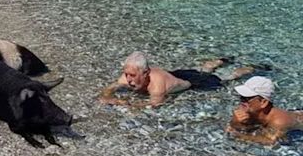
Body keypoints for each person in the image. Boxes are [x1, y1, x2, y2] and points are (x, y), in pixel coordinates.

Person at [100, 51, 253, 108]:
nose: (128, 79)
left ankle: (250, 68)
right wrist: (107, 96)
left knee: (225, 78)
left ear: (145, 73)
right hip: (175, 74)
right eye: (126, 74)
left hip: (191, 83)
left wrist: (128, 104)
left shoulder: (157, 86)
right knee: (201, 69)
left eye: (132, 76)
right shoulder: (127, 76)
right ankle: (221, 60)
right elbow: (109, 89)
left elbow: (155, 104)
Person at [225, 76, 303, 145]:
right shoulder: (251, 111)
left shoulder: (279, 122)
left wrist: (239, 136)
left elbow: (271, 142)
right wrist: (235, 123)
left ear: (263, 102)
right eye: (241, 97)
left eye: (246, 98)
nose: (242, 101)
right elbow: (244, 128)